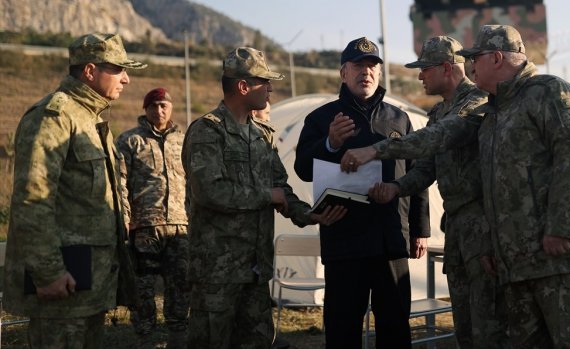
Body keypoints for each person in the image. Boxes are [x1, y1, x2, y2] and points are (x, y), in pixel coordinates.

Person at [341, 36, 508, 347]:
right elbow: (425, 167)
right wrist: (395, 188)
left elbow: (438, 138)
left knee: (489, 321)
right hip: (457, 226)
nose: (419, 76)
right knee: (466, 324)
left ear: (446, 68)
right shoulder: (439, 111)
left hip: (481, 225)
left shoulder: (476, 103)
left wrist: (376, 151)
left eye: (424, 69)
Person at [181, 47, 344, 349]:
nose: (270, 88)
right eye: (264, 81)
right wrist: (266, 195)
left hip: (256, 270)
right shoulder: (207, 132)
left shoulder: (261, 135)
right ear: (243, 86)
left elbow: (281, 186)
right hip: (218, 272)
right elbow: (209, 191)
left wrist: (309, 214)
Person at [466, 25, 570, 347]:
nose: (471, 67)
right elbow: (494, 187)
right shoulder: (492, 112)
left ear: (497, 57)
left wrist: (560, 228)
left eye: (475, 58)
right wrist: (492, 244)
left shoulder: (549, 93)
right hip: (517, 265)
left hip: (562, 261)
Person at [3, 33, 146, 348]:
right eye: (118, 69)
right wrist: (48, 272)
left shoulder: (89, 118)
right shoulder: (54, 117)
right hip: (63, 282)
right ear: (90, 71)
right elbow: (32, 200)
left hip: (87, 282)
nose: (127, 79)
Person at [294, 37, 431, 349]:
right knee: (343, 329)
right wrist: (330, 144)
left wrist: (420, 229)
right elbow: (303, 167)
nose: (366, 72)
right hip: (344, 238)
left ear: (380, 74)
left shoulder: (399, 118)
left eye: (373, 66)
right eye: (358, 65)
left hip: (390, 238)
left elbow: (417, 172)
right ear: (344, 73)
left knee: (395, 327)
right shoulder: (322, 118)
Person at [116, 87, 189, 349]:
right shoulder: (129, 141)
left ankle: (178, 335)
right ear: (145, 109)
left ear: (171, 109)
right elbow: (119, 183)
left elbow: (193, 182)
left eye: (163, 106)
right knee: (143, 286)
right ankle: (145, 336)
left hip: (180, 226)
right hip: (145, 226)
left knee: (179, 283)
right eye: (153, 106)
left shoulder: (183, 140)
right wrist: (124, 218)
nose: (159, 110)